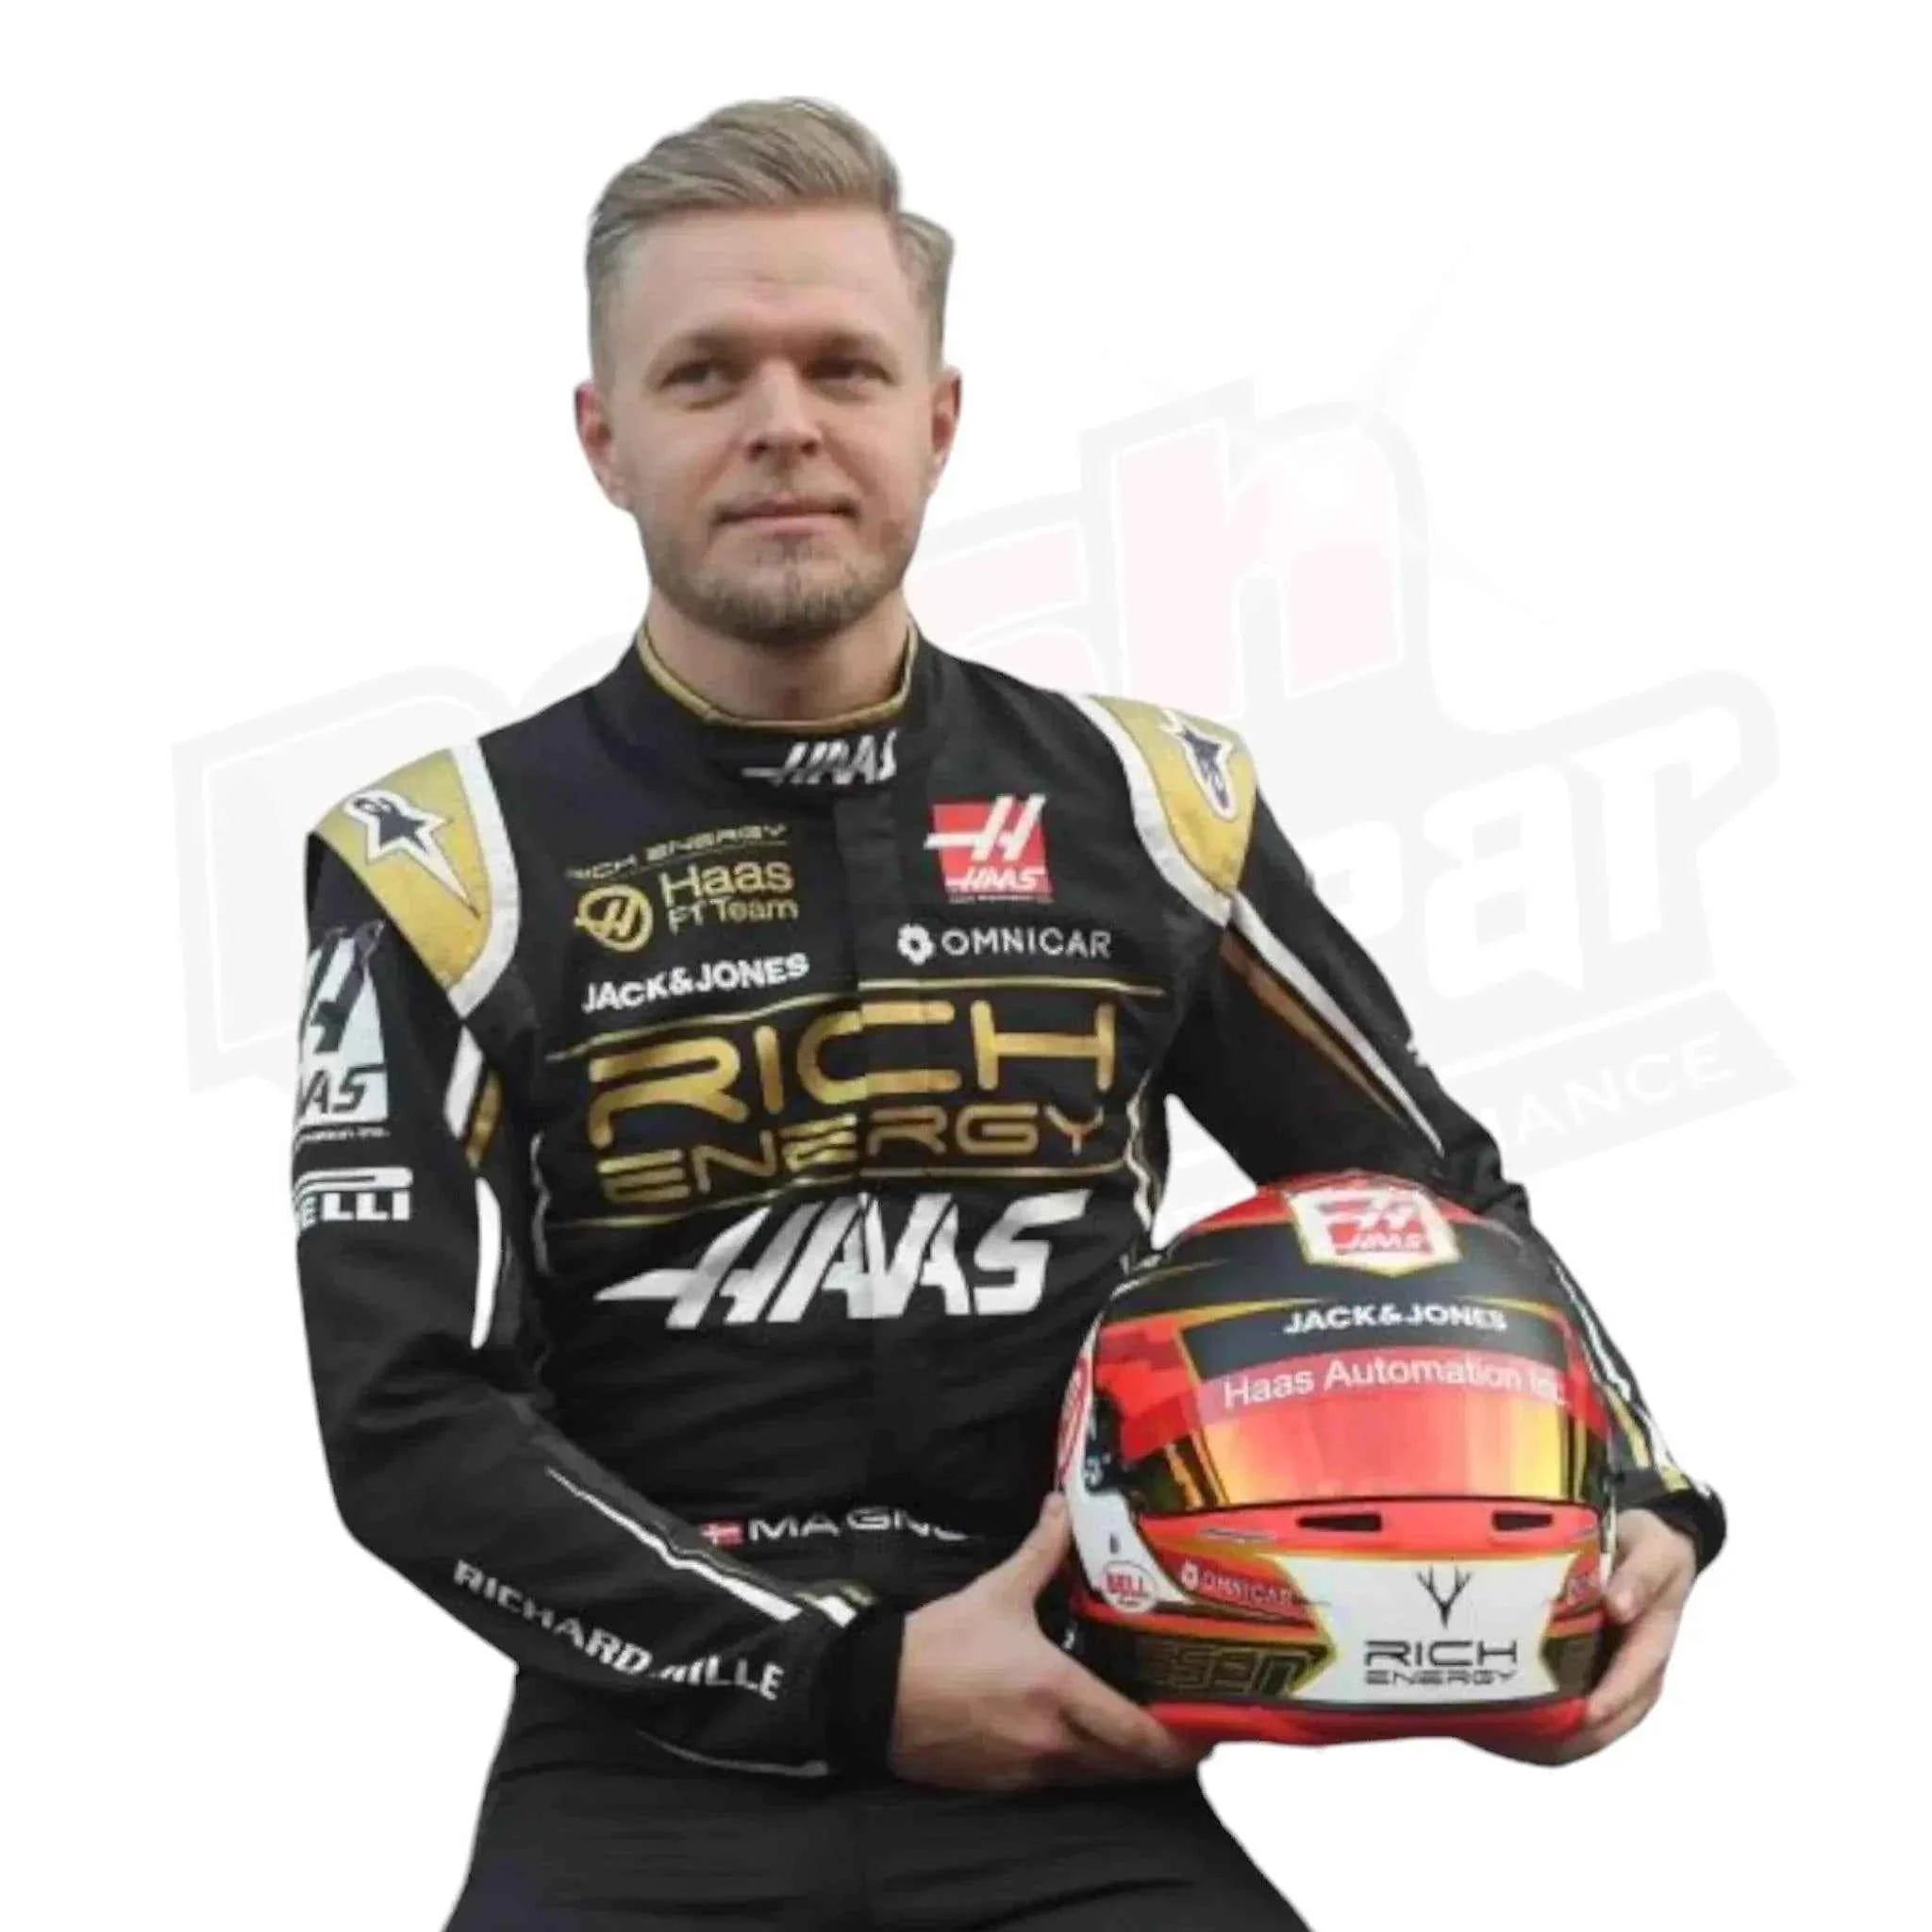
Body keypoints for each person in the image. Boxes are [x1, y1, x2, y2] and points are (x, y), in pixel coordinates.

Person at [290, 97, 1725, 1930]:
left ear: (940, 419)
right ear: (603, 437)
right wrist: (853, 1678)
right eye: (705, 373)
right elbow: (411, 1416)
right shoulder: (446, 859)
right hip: (644, 1767)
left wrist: (1636, 1505)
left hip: (1078, 1752)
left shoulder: (1153, 807)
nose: (783, 421)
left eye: (844, 366)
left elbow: (1430, 1208)